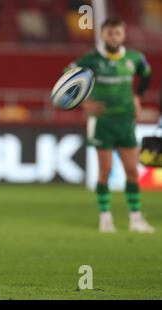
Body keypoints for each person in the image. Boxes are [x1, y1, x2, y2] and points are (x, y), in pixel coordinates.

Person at [71, 17, 154, 233]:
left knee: (132, 172)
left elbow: (146, 74)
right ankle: (105, 218)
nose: (114, 37)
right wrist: (84, 102)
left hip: (126, 120)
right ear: (102, 35)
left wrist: (137, 96)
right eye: (110, 33)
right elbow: (68, 77)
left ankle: (135, 219)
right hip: (103, 122)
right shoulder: (91, 59)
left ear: (123, 35)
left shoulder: (135, 58)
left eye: (118, 33)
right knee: (105, 171)